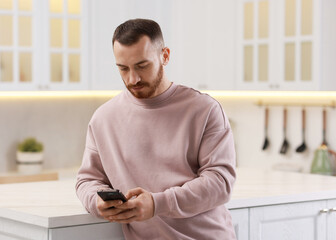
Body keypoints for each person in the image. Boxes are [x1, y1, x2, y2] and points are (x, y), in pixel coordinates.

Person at [76, 18, 237, 240]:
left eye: (142, 66)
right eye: (123, 68)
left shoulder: (205, 110)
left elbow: (221, 182)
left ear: (165, 55)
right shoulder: (103, 118)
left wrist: (157, 203)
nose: (133, 79)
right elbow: (87, 179)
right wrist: (96, 201)